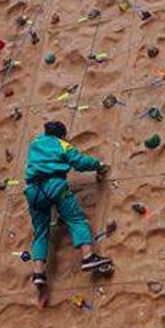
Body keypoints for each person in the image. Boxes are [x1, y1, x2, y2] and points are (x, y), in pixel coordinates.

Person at [24, 121, 112, 288]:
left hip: (33, 191)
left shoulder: (36, 143)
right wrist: (98, 165)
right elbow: (79, 162)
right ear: (63, 135)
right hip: (55, 186)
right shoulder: (62, 144)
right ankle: (88, 257)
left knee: (40, 232)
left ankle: (38, 273)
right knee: (76, 219)